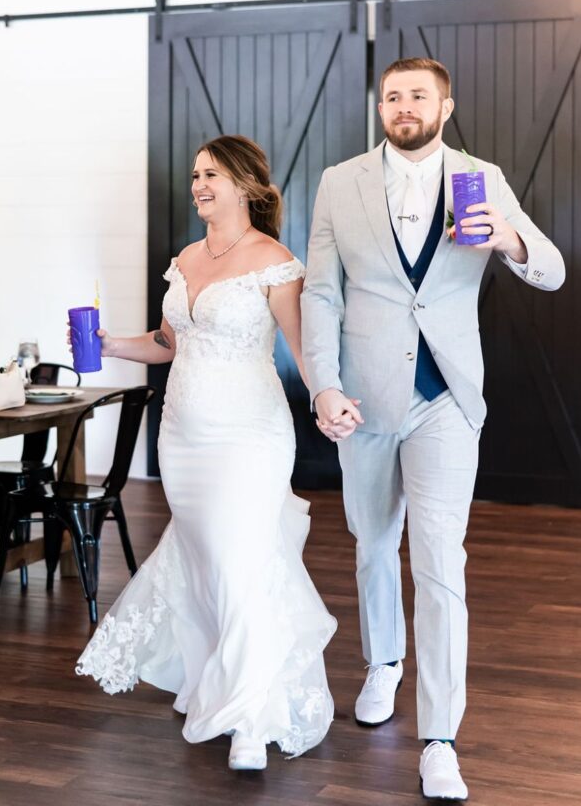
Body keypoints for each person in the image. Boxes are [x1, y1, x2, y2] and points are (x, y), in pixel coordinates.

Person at [300, 57, 565, 800]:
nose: (403, 105)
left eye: (418, 95)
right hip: (364, 399)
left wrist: (505, 241)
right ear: (379, 107)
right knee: (373, 541)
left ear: (444, 107)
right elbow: (320, 292)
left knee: (440, 563)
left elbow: (550, 269)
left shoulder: (482, 177)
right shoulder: (336, 182)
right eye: (392, 96)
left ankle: (439, 738)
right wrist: (323, 382)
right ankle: (383, 662)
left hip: (446, 395)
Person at [76, 135, 336, 771]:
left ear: (246, 185)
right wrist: (109, 344)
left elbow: (305, 351)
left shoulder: (274, 260)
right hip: (184, 438)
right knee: (206, 564)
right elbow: (169, 342)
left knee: (238, 562)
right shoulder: (186, 258)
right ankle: (217, 681)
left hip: (248, 434)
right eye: (195, 174)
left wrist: (328, 400)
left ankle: (250, 718)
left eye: (211, 175)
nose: (198, 185)